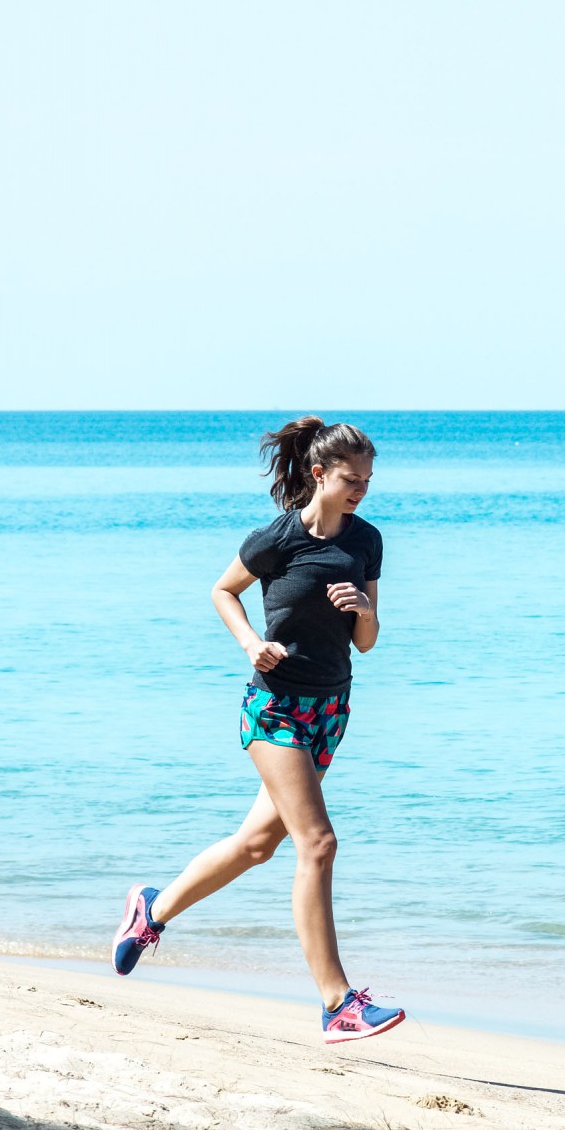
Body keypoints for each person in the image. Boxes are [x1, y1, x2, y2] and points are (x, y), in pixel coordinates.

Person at [111, 416, 405, 1044]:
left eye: (369, 481)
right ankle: (337, 1003)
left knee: (255, 846)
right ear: (319, 474)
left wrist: (365, 610)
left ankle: (151, 911)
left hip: (332, 710)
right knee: (318, 844)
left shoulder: (367, 540)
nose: (361, 490)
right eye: (352, 479)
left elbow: (369, 642)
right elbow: (222, 590)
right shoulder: (276, 539)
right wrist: (251, 643)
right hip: (274, 709)